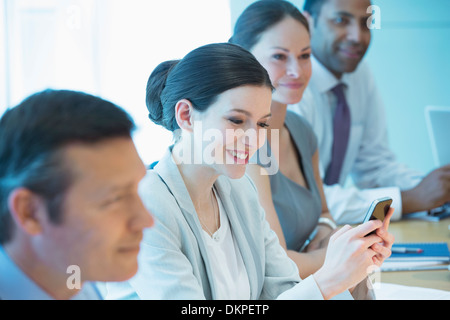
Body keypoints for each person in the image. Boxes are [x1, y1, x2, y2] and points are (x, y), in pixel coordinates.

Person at [105, 42, 392, 300]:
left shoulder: (239, 191)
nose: (254, 140)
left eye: (262, 124)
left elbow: (284, 291)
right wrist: (328, 279)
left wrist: (352, 273)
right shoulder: (147, 208)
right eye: (236, 120)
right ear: (186, 116)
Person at [229, 0, 393, 279]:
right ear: (245, 57)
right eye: (279, 57)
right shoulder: (245, 145)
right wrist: (342, 252)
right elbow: (277, 268)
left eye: (304, 55)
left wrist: (328, 235)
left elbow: (324, 213)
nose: (297, 71)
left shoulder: (301, 130)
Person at [289, 0, 450, 224]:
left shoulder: (359, 74)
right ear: (308, 23)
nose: (357, 36)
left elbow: (375, 167)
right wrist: (409, 198)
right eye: (340, 20)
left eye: (366, 23)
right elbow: (307, 200)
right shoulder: (291, 86)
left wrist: (437, 188)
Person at [0, 89, 154, 300]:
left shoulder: (76, 281)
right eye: (114, 199)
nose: (146, 221)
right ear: (30, 212)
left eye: (137, 190)